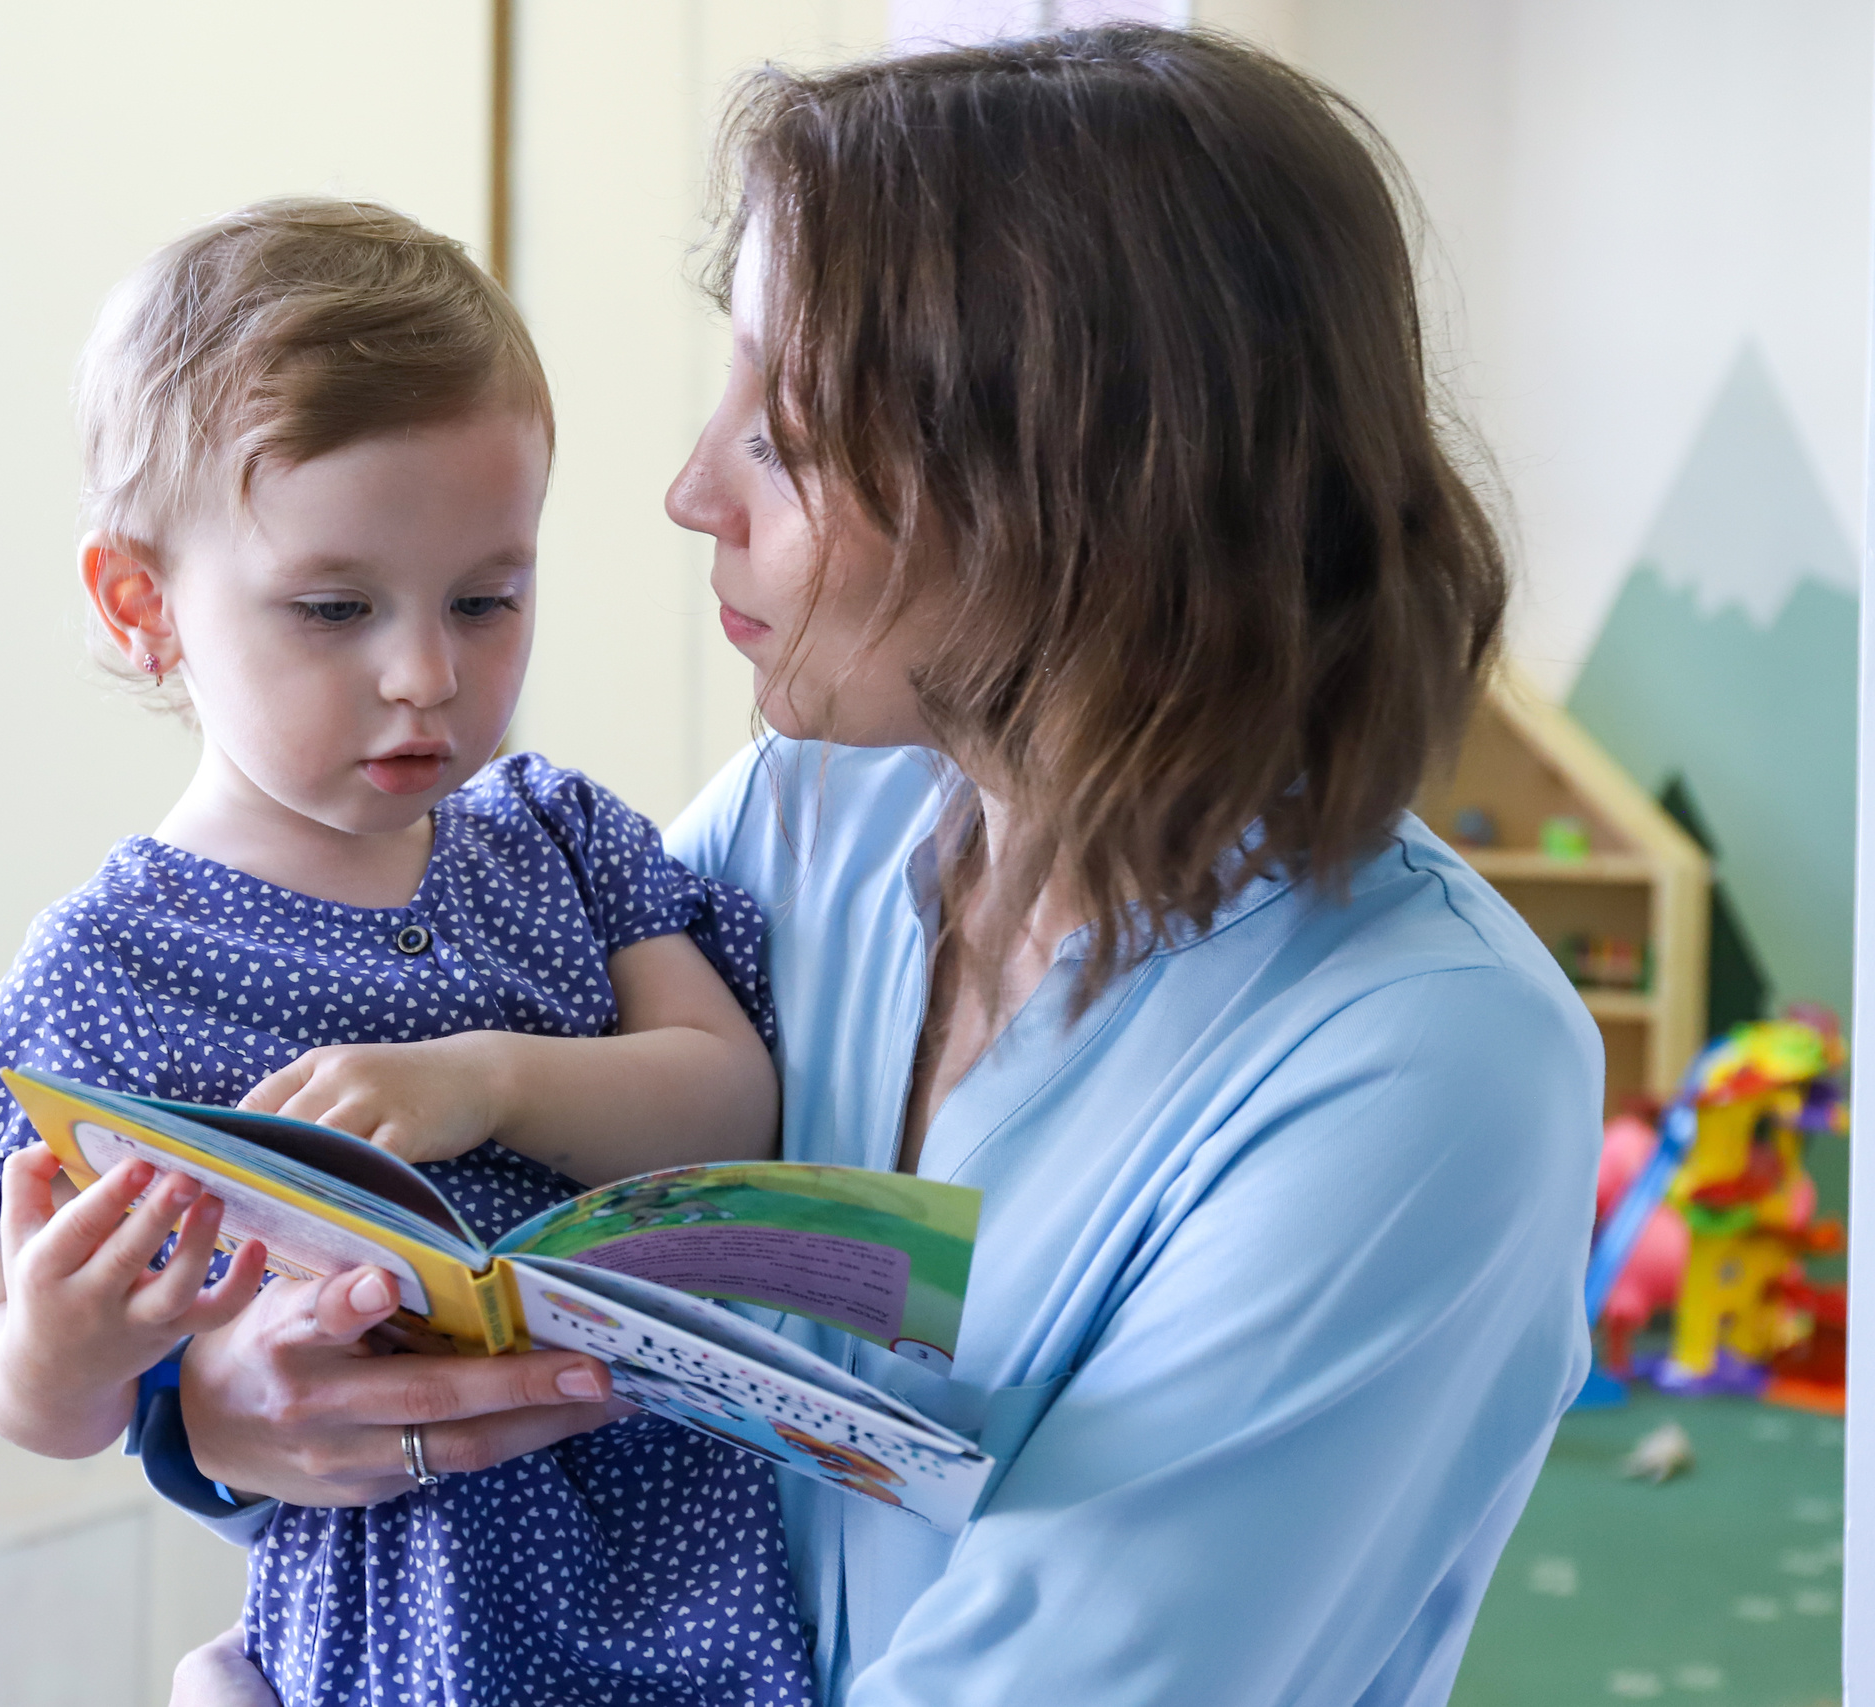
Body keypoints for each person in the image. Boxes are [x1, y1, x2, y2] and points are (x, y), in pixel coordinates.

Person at [157, 29, 1604, 1707]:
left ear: (1074, 475)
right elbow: (481, 1255)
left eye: (785, 431)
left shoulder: (1422, 1066)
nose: (692, 489)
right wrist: (225, 1408)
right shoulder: (810, 813)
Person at [0, 200, 815, 1706]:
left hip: (691, 1555)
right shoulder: (113, 971)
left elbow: (733, 1109)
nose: (428, 676)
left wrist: (489, 1084)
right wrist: (64, 1348)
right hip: (403, 1606)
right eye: (335, 609)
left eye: (489, 597)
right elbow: (29, 1396)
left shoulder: (558, 835)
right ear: (145, 607)